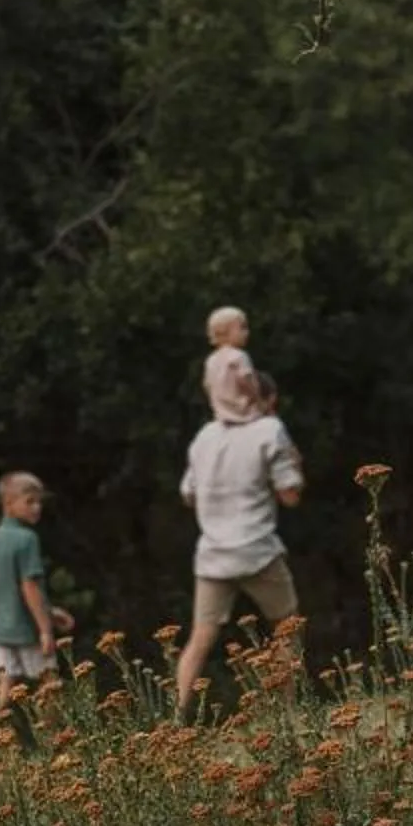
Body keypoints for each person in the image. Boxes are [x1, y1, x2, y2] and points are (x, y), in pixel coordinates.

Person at [174, 371, 304, 714]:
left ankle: (174, 719)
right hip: (258, 549)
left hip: (213, 554)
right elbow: (290, 495)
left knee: (199, 639)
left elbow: (188, 495)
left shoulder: (205, 436)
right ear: (265, 400)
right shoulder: (269, 431)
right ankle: (285, 710)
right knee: (286, 628)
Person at [0, 471, 71, 746]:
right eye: (29, 501)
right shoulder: (27, 539)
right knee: (49, 684)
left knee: (0, 687)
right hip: (26, 629)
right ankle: (53, 742)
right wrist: (45, 629)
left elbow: (6, 587)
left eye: (39, 502)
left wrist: (51, 611)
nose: (37, 507)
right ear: (8, 502)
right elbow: (28, 586)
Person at [203, 305, 262, 425]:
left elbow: (207, 385)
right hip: (243, 413)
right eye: (242, 328)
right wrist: (258, 399)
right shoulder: (239, 356)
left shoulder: (211, 359)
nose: (247, 333)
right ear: (224, 331)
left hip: (221, 413)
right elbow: (246, 380)